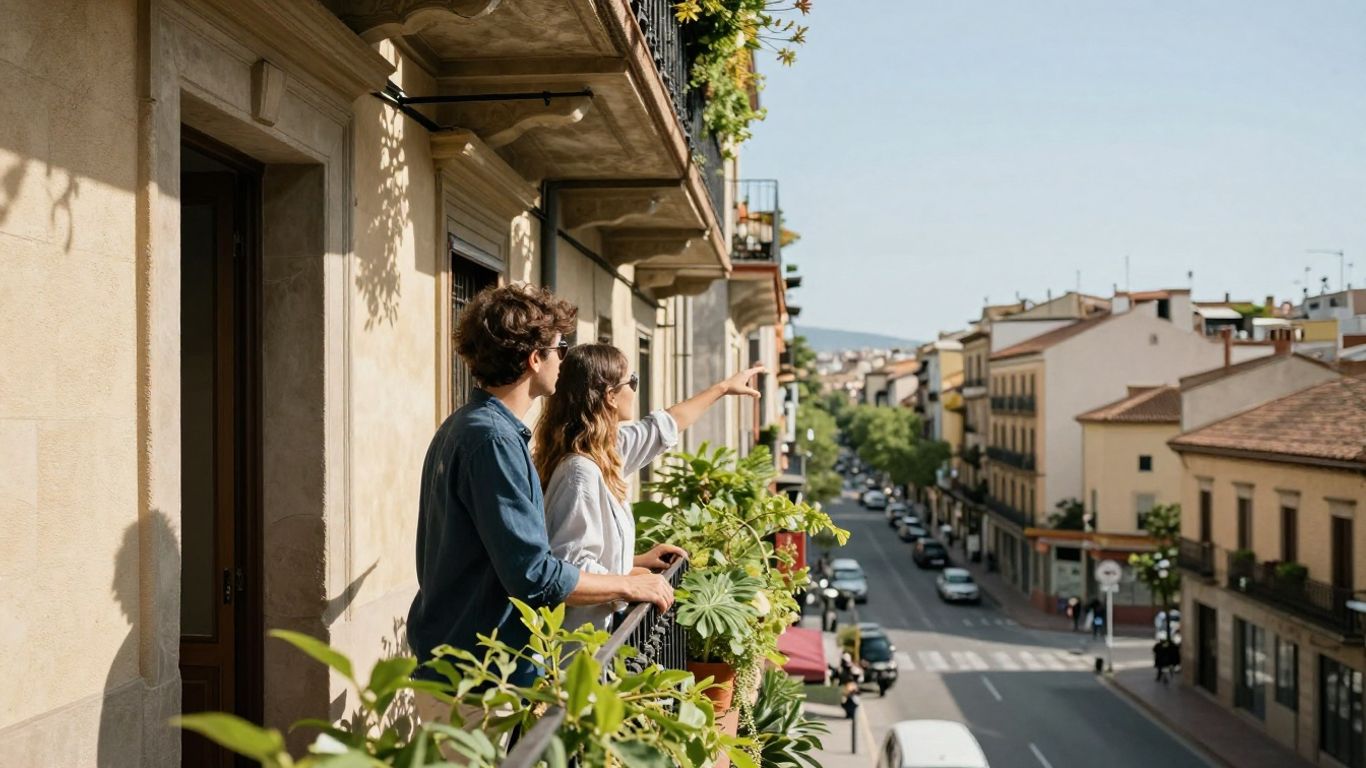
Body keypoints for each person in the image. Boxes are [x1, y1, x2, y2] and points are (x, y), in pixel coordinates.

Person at [406, 285, 674, 703]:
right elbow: (534, 576)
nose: (563, 360)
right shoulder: (493, 441)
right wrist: (627, 585)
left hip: (462, 666)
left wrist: (630, 565)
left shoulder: (466, 426)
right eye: (559, 348)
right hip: (480, 677)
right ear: (535, 359)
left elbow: (500, 553)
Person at [534, 342, 763, 631]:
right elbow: (569, 573)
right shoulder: (579, 473)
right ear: (611, 397)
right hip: (577, 652)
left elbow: (663, 427)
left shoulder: (604, 453)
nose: (634, 388)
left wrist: (723, 388)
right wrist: (630, 585)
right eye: (632, 381)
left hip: (595, 641)